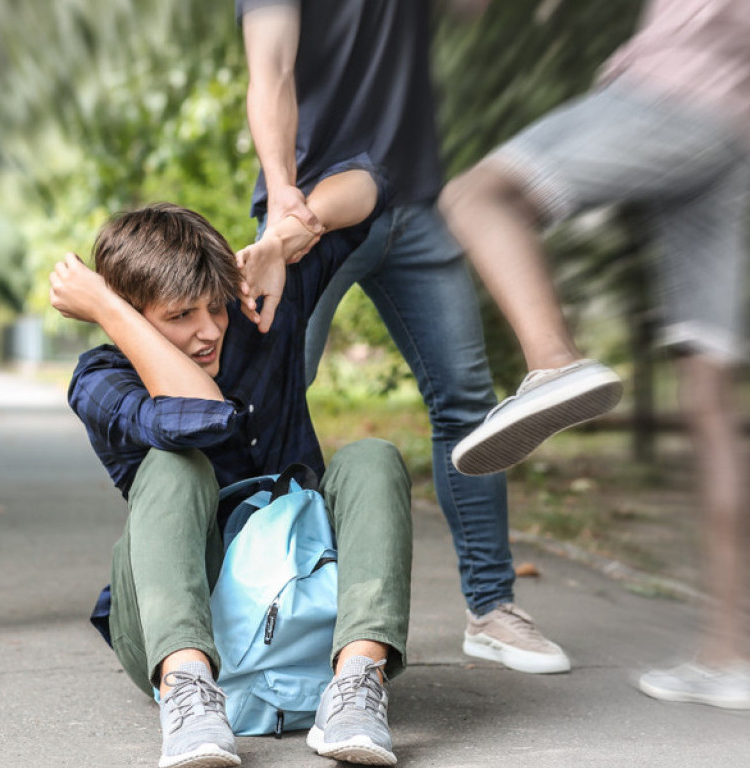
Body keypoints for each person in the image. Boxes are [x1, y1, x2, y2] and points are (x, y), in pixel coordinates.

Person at [439, 0, 750, 709]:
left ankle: (555, 362)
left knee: (478, 196)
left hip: (669, 92)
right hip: (739, 136)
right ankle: (731, 659)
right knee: (714, 405)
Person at [238, 0, 571, 677]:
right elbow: (269, 67)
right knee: (269, 405)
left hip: (412, 201)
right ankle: (255, 606)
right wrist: (280, 196)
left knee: (465, 401)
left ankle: (491, 608)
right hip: (309, 212)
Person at [51, 166, 413, 768]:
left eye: (213, 308)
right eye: (179, 317)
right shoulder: (101, 380)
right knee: (173, 467)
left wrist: (277, 241)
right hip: (181, 631)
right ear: (132, 318)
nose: (208, 331)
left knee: (372, 457)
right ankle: (189, 697)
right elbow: (203, 417)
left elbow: (376, 189)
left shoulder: (256, 309)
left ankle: (357, 685)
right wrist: (112, 312)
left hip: (303, 598)